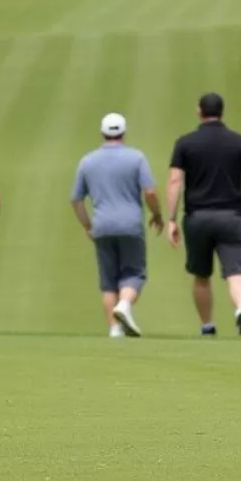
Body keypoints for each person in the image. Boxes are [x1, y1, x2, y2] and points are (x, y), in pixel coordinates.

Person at [166, 92, 241, 338]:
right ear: (222, 111)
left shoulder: (185, 143)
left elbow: (175, 180)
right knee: (236, 271)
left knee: (201, 275)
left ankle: (207, 325)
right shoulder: (239, 142)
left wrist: (170, 219)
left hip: (198, 217)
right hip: (231, 216)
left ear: (199, 111)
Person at [69, 112, 163, 338]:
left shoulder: (87, 160)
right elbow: (149, 191)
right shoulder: (137, 158)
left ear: (102, 133)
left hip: (102, 226)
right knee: (135, 274)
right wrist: (157, 214)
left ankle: (114, 329)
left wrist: (87, 225)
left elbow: (76, 199)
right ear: (124, 132)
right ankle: (124, 305)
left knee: (108, 281)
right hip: (130, 225)